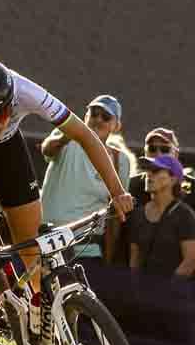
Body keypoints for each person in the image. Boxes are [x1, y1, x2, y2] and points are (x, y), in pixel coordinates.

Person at [0, 59, 130, 345]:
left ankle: (46, 329)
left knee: (32, 242)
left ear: (12, 102)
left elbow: (85, 136)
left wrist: (117, 191)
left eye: (0, 115)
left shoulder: (26, 91)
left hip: (6, 146)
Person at [40, 93, 134, 261]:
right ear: (85, 117)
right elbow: (47, 149)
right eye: (94, 114)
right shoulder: (68, 138)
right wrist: (66, 136)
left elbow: (116, 213)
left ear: (116, 126)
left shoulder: (120, 160)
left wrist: (109, 259)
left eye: (105, 117)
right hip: (47, 243)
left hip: (86, 248)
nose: (98, 119)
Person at [112, 126, 195, 270]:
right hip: (131, 274)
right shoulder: (130, 185)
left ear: (176, 154)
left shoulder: (194, 190)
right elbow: (117, 231)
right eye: (152, 148)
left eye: (165, 149)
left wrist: (188, 271)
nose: (158, 153)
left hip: (174, 275)